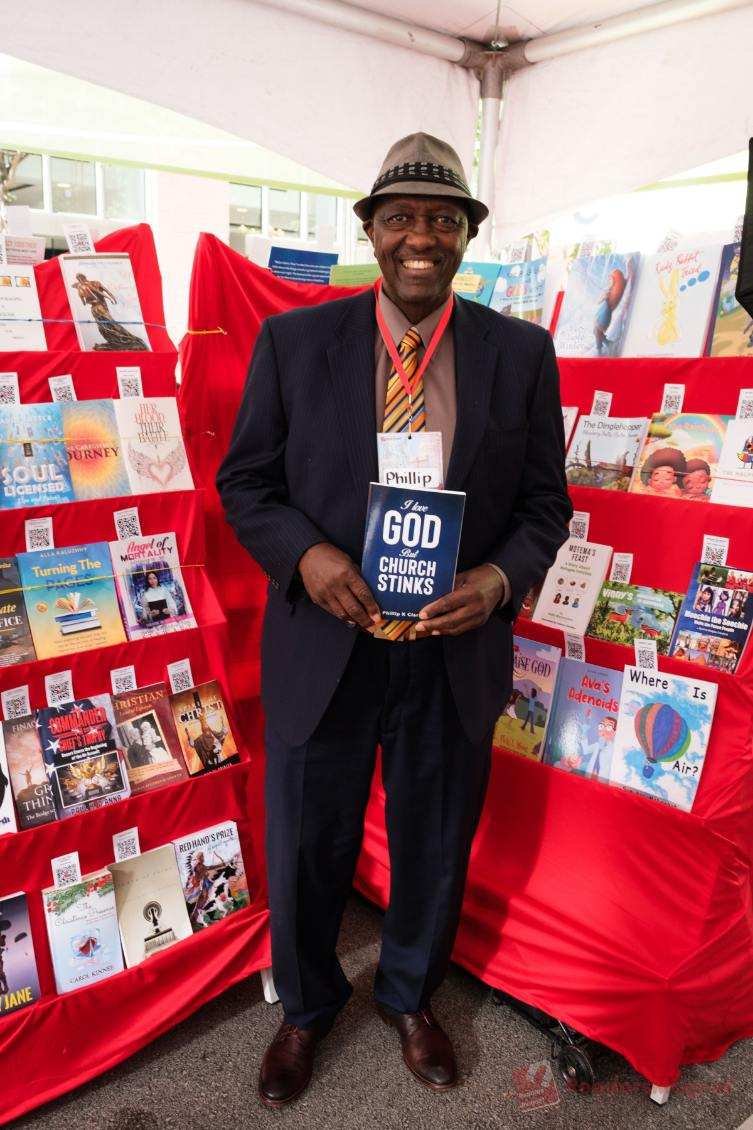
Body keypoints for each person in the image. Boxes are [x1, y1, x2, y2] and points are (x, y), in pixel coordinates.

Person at [217, 132, 572, 1109]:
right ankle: (305, 1005)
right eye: (403, 217)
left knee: (435, 838)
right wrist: (307, 555)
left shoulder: (519, 353)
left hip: (452, 649)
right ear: (371, 229)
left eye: (443, 219)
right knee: (306, 841)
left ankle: (411, 993)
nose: (423, 236)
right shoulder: (296, 344)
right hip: (327, 642)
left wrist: (497, 579)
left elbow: (545, 504)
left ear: (466, 236)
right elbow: (246, 483)